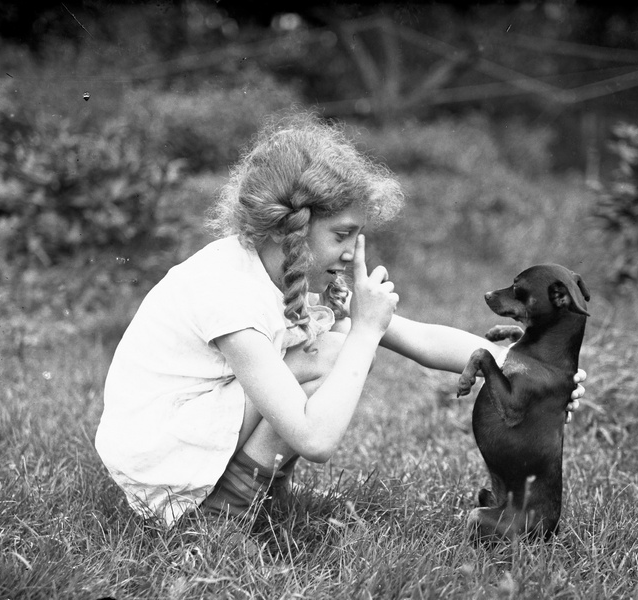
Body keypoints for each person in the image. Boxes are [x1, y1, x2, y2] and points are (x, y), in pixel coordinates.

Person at [95, 111, 586, 528]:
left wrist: (526, 371)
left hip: (192, 432)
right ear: (289, 228)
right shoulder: (227, 294)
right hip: (162, 459)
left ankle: (259, 493)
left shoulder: (281, 271)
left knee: (336, 344)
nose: (352, 251)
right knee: (332, 351)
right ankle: (224, 513)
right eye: (341, 235)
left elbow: (418, 337)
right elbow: (316, 440)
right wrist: (365, 331)